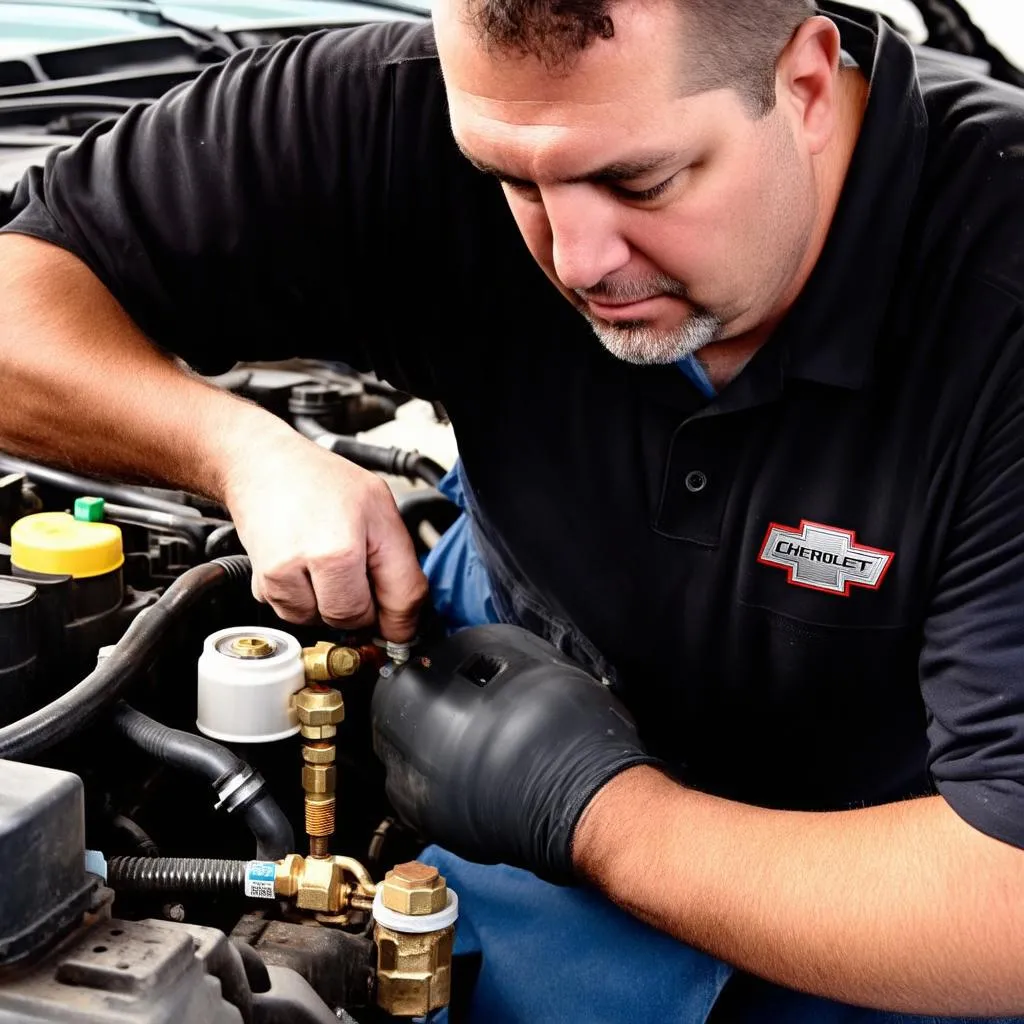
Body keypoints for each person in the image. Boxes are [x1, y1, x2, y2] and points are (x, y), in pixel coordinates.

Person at [1, 0, 1024, 1018]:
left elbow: (1004, 906)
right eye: (509, 181)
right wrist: (236, 449)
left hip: (907, 909)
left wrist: (594, 816)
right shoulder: (418, 114)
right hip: (493, 857)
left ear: (802, 84)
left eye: (640, 179)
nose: (578, 260)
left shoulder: (996, 278)